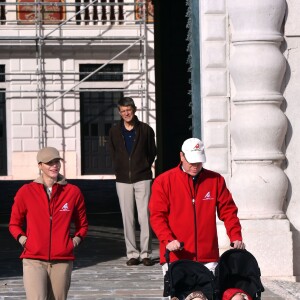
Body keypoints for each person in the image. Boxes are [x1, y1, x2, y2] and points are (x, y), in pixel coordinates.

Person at [149, 137, 245, 277]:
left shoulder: (215, 180)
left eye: (199, 162)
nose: (195, 166)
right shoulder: (163, 182)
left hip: (208, 256)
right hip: (176, 255)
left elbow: (228, 211)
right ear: (181, 156)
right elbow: (157, 216)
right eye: (191, 161)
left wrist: (235, 236)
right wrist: (168, 239)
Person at [9, 146, 88, 300]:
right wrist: (25, 241)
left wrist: (73, 243)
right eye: (49, 163)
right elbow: (14, 224)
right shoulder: (26, 191)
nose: (54, 166)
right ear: (40, 165)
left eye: (57, 161)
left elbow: (83, 225)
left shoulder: (73, 192)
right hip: (33, 259)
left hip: (62, 260)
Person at [108, 96, 157, 266]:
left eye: (128, 110)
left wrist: (143, 166)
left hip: (142, 177)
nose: (126, 113)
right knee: (127, 217)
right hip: (122, 179)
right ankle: (132, 254)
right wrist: (120, 169)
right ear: (120, 113)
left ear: (134, 110)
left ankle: (146, 254)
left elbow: (152, 151)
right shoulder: (114, 131)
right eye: (122, 111)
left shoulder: (146, 130)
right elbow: (113, 152)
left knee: (145, 216)